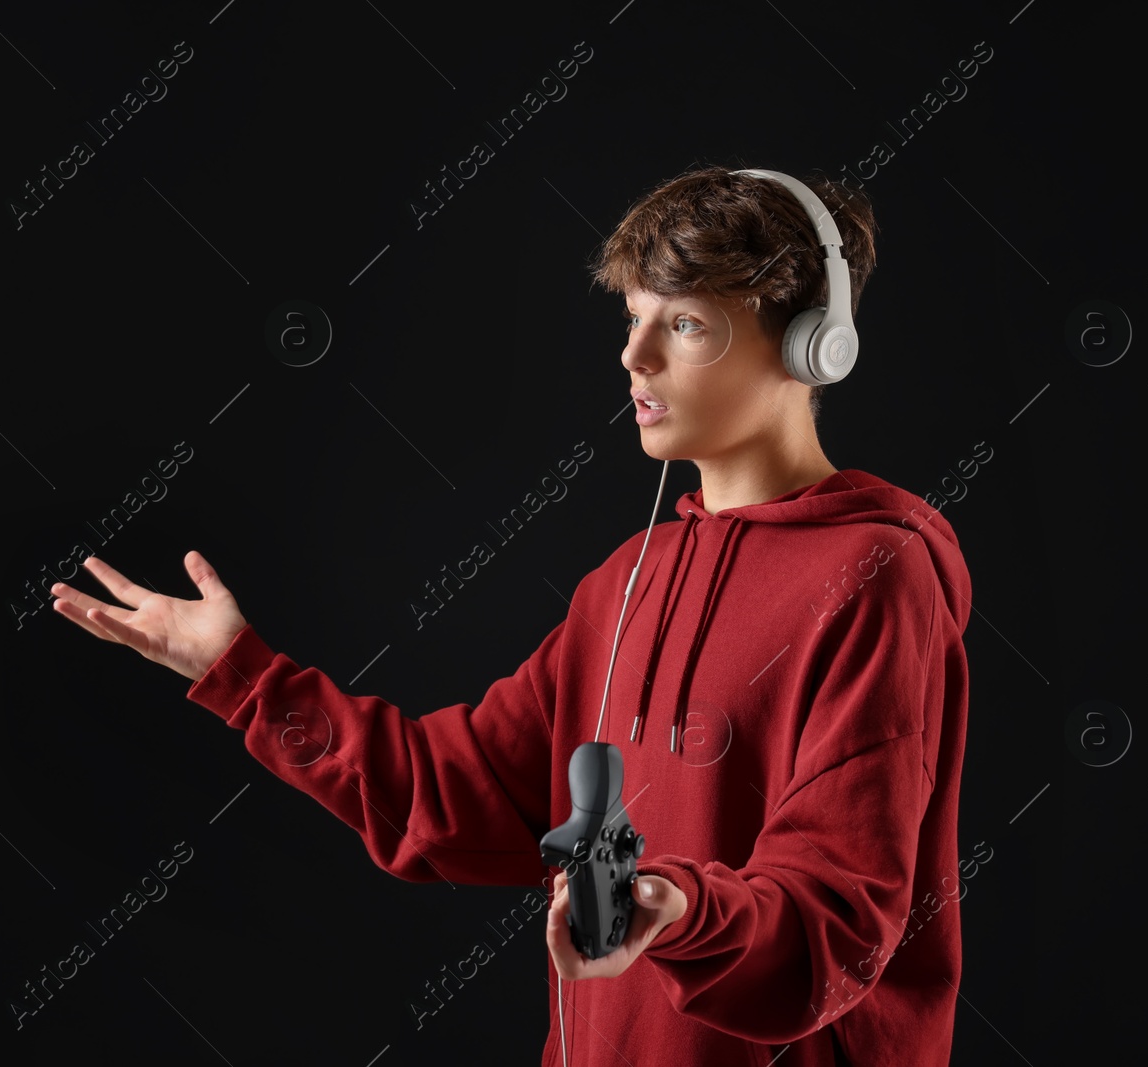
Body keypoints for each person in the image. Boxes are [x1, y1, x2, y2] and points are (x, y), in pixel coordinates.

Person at [49, 164, 972, 1066]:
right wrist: (242, 673)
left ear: (812, 344)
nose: (633, 356)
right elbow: (446, 798)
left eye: (684, 324)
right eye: (632, 319)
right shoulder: (622, 583)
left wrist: (676, 910)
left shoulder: (876, 573)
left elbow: (838, 915)